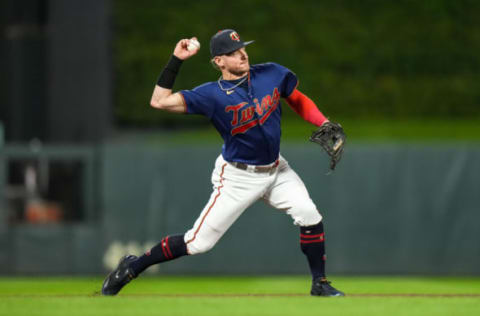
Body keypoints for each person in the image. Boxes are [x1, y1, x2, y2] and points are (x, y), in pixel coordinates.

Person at [101, 29, 344, 297]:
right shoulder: (211, 95)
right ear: (219, 61)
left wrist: (322, 121)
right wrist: (176, 59)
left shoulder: (272, 74)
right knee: (197, 243)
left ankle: (319, 283)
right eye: (232, 52)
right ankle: (132, 267)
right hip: (238, 178)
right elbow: (158, 101)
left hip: (277, 169)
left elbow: (296, 98)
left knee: (309, 214)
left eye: (242, 48)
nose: (242, 54)